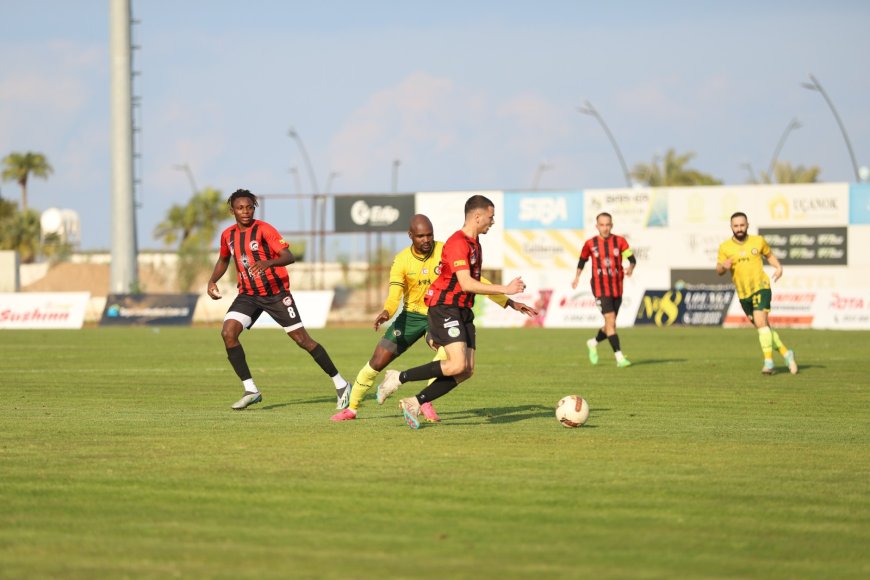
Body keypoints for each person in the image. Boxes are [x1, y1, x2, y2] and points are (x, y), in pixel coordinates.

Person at [330, 214, 537, 423]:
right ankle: (352, 408)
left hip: (439, 313)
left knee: (449, 356)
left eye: (430, 235)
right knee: (376, 362)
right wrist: (387, 312)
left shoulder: (445, 250)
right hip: (411, 317)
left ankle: (424, 401)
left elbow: (474, 280)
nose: (426, 240)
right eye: (421, 236)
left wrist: (507, 302)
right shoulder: (401, 260)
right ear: (410, 236)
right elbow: (395, 293)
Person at [375, 195, 528, 429]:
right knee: (456, 364)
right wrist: (505, 288)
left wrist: (509, 302)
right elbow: (466, 283)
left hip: (463, 310)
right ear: (477, 217)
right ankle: (397, 377)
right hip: (445, 307)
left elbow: (476, 282)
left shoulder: (475, 244)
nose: (493, 221)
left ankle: (414, 402)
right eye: (490, 217)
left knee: (467, 370)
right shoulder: (457, 242)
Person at [207, 188, 350, 410]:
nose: (245, 211)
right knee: (228, 333)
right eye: (240, 208)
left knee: (302, 340)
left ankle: (341, 384)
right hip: (248, 295)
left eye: (249, 207)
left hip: (276, 293)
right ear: (232, 211)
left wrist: (268, 263)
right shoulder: (228, 235)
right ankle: (251, 389)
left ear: (254, 207)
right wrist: (212, 281)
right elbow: (223, 260)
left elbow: (288, 256)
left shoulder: (264, 230)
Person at [716, 212, 798, 375]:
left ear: (747, 225)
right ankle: (786, 353)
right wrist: (724, 266)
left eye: (742, 225)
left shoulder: (758, 241)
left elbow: (769, 255)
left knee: (761, 323)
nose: (739, 228)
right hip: (743, 294)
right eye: (736, 226)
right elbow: (718, 270)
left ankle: (768, 363)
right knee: (763, 328)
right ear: (731, 227)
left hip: (761, 287)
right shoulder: (725, 247)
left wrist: (778, 267)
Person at [571, 212, 636, 368]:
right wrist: (577, 277)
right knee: (611, 321)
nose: (605, 228)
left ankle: (593, 342)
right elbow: (582, 260)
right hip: (600, 288)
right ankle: (620, 358)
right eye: (602, 225)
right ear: (597, 226)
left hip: (617, 288)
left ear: (611, 225)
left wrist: (631, 268)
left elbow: (632, 259)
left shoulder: (620, 241)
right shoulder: (590, 244)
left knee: (610, 325)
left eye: (608, 225)